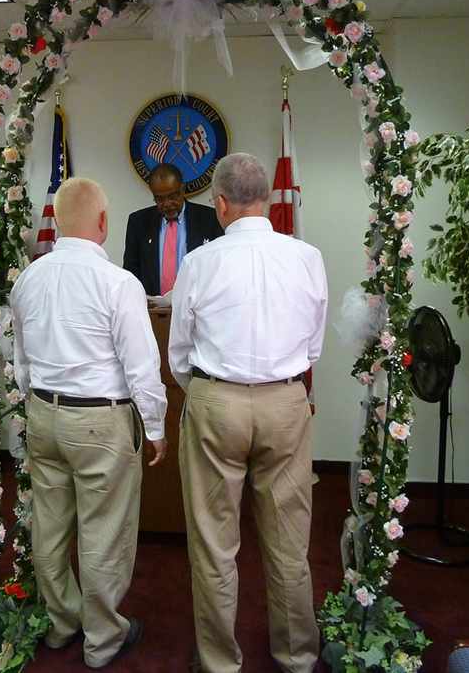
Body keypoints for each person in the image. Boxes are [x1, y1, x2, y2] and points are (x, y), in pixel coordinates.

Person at [168, 153, 328, 673]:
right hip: (286, 401)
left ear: (219, 203)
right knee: (288, 542)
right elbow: (314, 349)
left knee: (215, 543)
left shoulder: (198, 262)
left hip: (217, 402)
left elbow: (179, 354)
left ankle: (218, 663)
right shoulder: (308, 256)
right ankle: (298, 656)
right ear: (264, 199)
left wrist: (211, 390)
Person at [10, 177, 168, 670]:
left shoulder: (27, 279)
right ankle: (102, 641)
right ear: (102, 223)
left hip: (42, 414)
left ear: (56, 220)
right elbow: (142, 365)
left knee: (51, 528)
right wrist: (156, 425)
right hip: (100, 423)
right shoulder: (119, 283)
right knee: (104, 533)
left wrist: (39, 404)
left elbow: (21, 363)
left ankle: (60, 625)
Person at [123, 163, 226, 296]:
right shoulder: (138, 222)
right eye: (160, 199)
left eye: (172, 197)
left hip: (198, 309)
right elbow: (131, 272)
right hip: (152, 312)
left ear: (183, 189)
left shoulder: (210, 219)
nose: (167, 204)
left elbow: (219, 269)